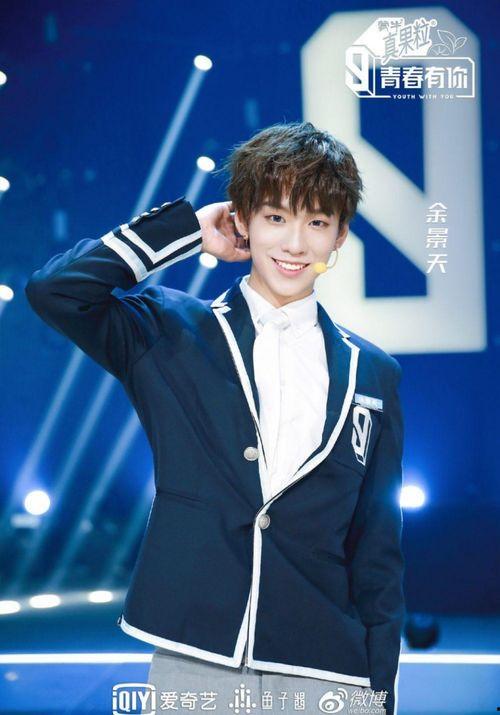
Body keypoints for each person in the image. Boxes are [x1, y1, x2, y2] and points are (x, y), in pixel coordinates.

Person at [25, 121, 405, 715]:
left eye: (316, 222)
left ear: (340, 235)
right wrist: (185, 230)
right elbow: (55, 290)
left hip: (328, 668)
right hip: (196, 655)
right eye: (275, 217)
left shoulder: (374, 372)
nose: (295, 243)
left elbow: (377, 550)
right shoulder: (169, 330)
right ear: (244, 219)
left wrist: (380, 695)